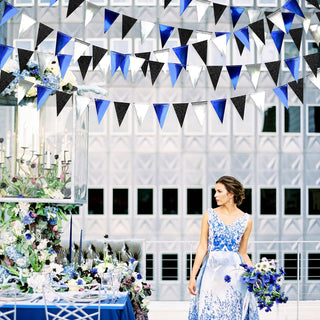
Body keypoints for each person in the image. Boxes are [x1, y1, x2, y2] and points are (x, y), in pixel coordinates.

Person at [188, 176, 259, 320]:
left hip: (235, 275)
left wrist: (256, 275)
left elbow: (243, 253)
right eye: (215, 191)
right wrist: (192, 277)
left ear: (231, 193)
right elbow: (203, 247)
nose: (215, 195)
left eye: (219, 191)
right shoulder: (209, 215)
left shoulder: (247, 220)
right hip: (211, 273)